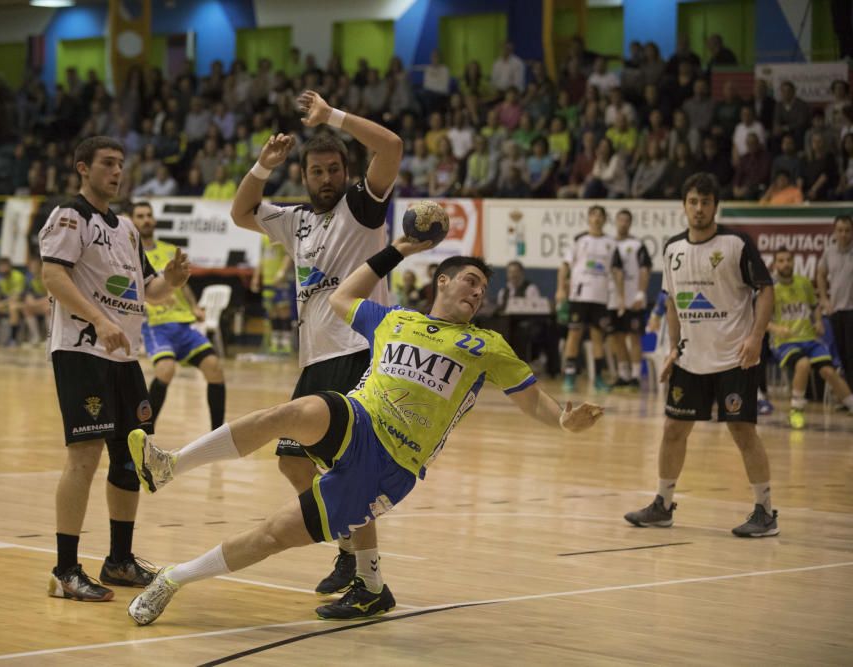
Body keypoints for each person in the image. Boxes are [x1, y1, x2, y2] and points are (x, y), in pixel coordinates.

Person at [124, 245, 605, 626]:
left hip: (391, 465)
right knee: (292, 411)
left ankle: (173, 578)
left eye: (483, 289)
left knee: (272, 534)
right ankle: (169, 465)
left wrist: (563, 420)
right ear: (443, 280)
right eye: (471, 281)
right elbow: (339, 297)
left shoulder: (486, 346)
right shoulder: (396, 318)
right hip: (356, 417)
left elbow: (533, 401)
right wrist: (397, 248)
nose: (478, 293)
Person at [229, 90, 402, 612]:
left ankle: (371, 584)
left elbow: (391, 146)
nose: (325, 179)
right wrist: (262, 165)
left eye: (333, 169)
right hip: (315, 359)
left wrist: (333, 118)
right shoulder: (297, 221)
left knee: (351, 469)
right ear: (303, 176)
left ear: (346, 171)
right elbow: (241, 212)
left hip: (358, 352)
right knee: (293, 463)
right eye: (316, 171)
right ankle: (350, 553)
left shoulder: (362, 209)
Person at [38, 136, 190, 602]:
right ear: (82, 167)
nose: (116, 171)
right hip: (83, 350)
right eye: (107, 163)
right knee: (84, 457)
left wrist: (172, 281)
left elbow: (147, 290)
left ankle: (119, 561)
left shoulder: (125, 227)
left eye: (121, 164)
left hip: (124, 357)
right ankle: (65, 570)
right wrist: (100, 319)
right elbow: (53, 275)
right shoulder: (70, 215)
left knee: (130, 457)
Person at [624, 172, 778, 538]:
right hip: (690, 360)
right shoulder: (673, 248)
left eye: (705, 202)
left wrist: (756, 337)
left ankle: (766, 511)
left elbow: (766, 290)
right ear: (684, 206)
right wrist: (673, 350)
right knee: (673, 430)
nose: (698, 208)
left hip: (734, 357)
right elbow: (674, 305)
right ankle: (662, 505)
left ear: (715, 207)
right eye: (693, 202)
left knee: (742, 431)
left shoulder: (737, 243)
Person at [131, 201, 226, 430]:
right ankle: (144, 432)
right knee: (166, 370)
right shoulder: (131, 254)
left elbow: (183, 284)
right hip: (156, 324)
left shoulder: (169, 250)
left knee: (214, 367)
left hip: (183, 324)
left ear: (154, 220)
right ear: (132, 222)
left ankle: (217, 434)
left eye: (148, 215)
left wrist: (194, 306)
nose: (145, 220)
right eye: (140, 216)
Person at [769, 248, 853, 429]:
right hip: (785, 343)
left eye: (788, 260)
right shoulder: (771, 290)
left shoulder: (804, 283)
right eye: (781, 261)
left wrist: (818, 322)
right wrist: (777, 328)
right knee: (803, 364)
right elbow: (762, 321)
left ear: (794, 262)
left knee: (829, 372)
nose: (785, 264)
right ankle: (796, 410)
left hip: (809, 339)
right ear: (775, 265)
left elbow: (814, 306)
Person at [556, 205, 623, 393]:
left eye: (600, 215)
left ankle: (599, 378)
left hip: (600, 297)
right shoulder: (579, 240)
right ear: (588, 218)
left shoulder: (611, 243)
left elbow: (617, 271)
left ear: (604, 220)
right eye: (593, 215)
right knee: (574, 335)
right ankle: (570, 377)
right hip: (579, 295)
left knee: (597, 338)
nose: (596, 218)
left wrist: (622, 297)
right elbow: (564, 266)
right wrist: (561, 289)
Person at [607, 210, 652, 390]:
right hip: (612, 299)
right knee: (617, 337)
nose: (623, 223)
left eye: (627, 220)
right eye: (621, 220)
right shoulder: (608, 244)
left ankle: (635, 376)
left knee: (634, 336)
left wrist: (641, 293)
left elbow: (645, 269)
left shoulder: (637, 244)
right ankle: (623, 374)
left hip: (633, 299)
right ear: (616, 221)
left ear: (630, 223)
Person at [817, 215, 853, 379]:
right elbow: (821, 274)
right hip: (836, 311)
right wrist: (824, 299)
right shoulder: (829, 252)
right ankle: (848, 397)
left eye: (847, 230)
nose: (844, 234)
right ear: (835, 232)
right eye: (840, 230)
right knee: (842, 354)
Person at [22, 255, 50, 345]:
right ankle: (36, 337)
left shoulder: (46, 276)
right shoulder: (29, 279)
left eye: (34, 265)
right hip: (39, 304)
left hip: (50, 304)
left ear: (40, 266)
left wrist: (36, 303)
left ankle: (49, 338)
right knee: (27, 309)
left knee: (47, 308)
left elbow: (51, 297)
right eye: (31, 266)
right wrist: (31, 303)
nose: (32, 268)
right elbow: (28, 297)